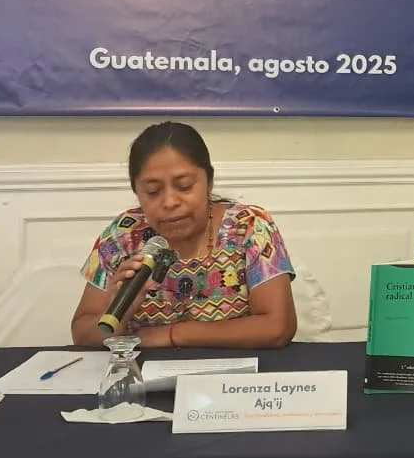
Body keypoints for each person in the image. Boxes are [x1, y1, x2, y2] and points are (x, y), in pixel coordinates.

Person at [71, 121, 297, 348]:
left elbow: (277, 327)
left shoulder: (249, 226)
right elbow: (82, 332)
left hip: (229, 377)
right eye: (153, 191)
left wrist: (171, 335)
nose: (170, 202)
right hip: (144, 377)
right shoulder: (122, 236)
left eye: (185, 186)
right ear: (137, 192)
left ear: (208, 182)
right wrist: (121, 312)